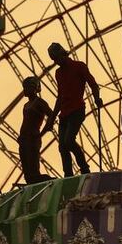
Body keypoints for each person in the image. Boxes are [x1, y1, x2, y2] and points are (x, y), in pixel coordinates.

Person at [43, 42, 102, 177]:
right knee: (62, 147)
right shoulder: (58, 73)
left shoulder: (79, 66)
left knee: (68, 141)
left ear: (63, 53)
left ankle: (84, 168)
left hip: (77, 109)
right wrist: (52, 119)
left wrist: (96, 98)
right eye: (54, 59)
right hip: (64, 113)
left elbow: (92, 83)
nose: (56, 62)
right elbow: (60, 96)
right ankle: (68, 174)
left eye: (57, 58)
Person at [18, 77, 53, 184]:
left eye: (26, 88)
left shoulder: (39, 102)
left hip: (33, 137)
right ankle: (31, 181)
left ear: (34, 88)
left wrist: (42, 132)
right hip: (24, 138)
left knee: (33, 166)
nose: (24, 90)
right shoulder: (26, 105)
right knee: (27, 169)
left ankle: (43, 180)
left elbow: (51, 115)